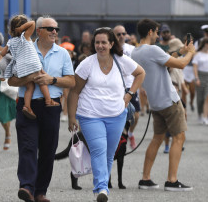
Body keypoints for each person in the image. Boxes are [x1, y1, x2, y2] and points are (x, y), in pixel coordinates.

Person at [67, 27, 145, 202]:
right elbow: (74, 91)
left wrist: (129, 94)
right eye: (97, 42)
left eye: (104, 42)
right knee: (98, 151)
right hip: (90, 115)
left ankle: (101, 187)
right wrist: (72, 117)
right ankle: (101, 188)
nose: (100, 46)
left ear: (111, 44)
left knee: (109, 154)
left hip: (117, 115)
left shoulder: (121, 60)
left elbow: (141, 73)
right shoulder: (87, 63)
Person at [8, 15, 75, 202]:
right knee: (28, 147)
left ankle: (40, 192)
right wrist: (28, 79)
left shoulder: (62, 53)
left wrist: (51, 80)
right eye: (50, 28)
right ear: (38, 31)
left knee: (47, 151)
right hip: (27, 106)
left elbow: (71, 81)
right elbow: (11, 80)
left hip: (51, 106)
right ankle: (27, 187)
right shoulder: (23, 48)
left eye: (56, 29)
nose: (55, 32)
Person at [131, 18, 195, 191]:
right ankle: (172, 180)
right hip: (169, 100)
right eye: (157, 32)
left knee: (157, 138)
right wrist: (190, 52)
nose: (158, 35)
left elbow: (163, 63)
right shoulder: (152, 49)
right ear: (150, 32)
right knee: (179, 137)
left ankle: (145, 178)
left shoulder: (136, 52)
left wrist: (180, 51)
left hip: (155, 103)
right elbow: (181, 64)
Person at [2, 15, 59, 120]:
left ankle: (27, 106)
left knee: (30, 87)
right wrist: (22, 29)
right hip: (32, 65)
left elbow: (2, 52)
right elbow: (33, 22)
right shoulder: (25, 36)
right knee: (42, 79)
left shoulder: (11, 41)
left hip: (20, 69)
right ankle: (48, 100)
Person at [113, 24, 140, 148]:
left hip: (131, 85)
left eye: (123, 34)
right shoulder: (110, 48)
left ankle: (130, 133)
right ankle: (119, 137)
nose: (121, 36)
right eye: (118, 34)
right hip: (116, 86)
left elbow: (140, 69)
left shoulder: (132, 49)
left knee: (136, 114)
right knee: (119, 114)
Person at [192, 37, 208, 125]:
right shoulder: (198, 54)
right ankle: (200, 114)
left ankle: (206, 117)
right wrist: (196, 78)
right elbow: (195, 67)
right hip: (200, 75)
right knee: (200, 98)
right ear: (206, 44)